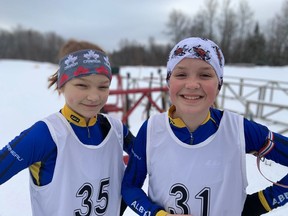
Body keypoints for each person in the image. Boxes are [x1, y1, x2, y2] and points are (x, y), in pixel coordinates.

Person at [121, 37, 288, 216]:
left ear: (219, 84)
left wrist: (260, 203)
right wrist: (156, 214)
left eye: (205, 75)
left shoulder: (238, 129)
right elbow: (130, 187)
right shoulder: (152, 129)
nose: (192, 84)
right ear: (169, 82)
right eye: (181, 74)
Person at [0, 39, 134, 215]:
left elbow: (153, 161)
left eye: (103, 87)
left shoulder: (116, 130)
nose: (94, 96)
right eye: (82, 85)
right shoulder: (47, 134)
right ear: (61, 85)